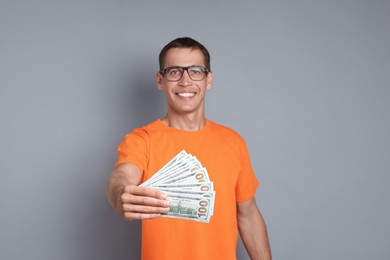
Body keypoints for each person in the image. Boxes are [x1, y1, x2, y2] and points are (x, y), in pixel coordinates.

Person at [106, 37, 272, 260]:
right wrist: (120, 195)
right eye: (175, 72)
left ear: (208, 79)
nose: (185, 81)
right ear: (160, 80)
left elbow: (248, 214)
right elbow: (122, 176)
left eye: (195, 71)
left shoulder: (233, 141)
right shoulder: (142, 139)